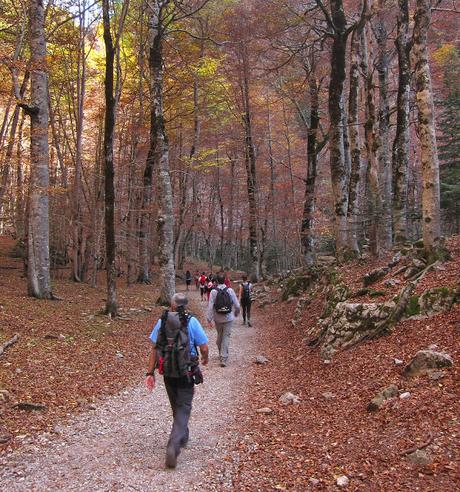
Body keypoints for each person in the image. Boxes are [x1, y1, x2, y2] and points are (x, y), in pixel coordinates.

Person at [145, 293, 209, 469]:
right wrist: (205, 358)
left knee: (176, 405)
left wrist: (149, 372)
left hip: (168, 372)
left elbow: (155, 348)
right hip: (187, 371)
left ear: (172, 306)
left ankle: (183, 435)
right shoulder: (191, 321)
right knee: (184, 407)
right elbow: (204, 346)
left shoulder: (163, 321)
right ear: (185, 306)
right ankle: (173, 446)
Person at [206, 272, 240, 367]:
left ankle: (222, 354)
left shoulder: (213, 292)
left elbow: (210, 306)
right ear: (225, 280)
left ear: (216, 281)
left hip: (217, 318)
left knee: (220, 336)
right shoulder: (230, 290)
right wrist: (236, 312)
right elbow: (237, 304)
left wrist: (209, 319)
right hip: (228, 318)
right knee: (226, 337)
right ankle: (223, 357)